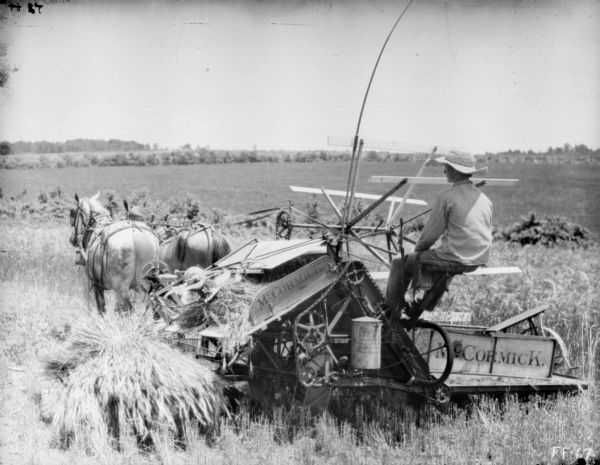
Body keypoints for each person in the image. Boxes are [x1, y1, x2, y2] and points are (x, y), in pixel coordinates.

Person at [385, 150, 493, 313]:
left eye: (447, 167)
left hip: (456, 258)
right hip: (478, 259)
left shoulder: (447, 197)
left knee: (399, 262)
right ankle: (425, 305)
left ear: (456, 171)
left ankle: (390, 315)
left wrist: (418, 253)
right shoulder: (485, 199)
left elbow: (429, 236)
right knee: (436, 262)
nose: (444, 171)